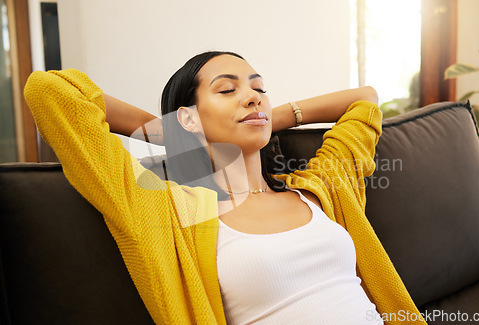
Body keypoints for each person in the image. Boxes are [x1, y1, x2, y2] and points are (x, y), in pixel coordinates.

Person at [24, 51, 425, 324]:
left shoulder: (319, 189)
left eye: (259, 88)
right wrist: (173, 134)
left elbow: (365, 100)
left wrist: (269, 116)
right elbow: (50, 91)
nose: (252, 96)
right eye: (227, 89)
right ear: (188, 117)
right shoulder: (170, 213)